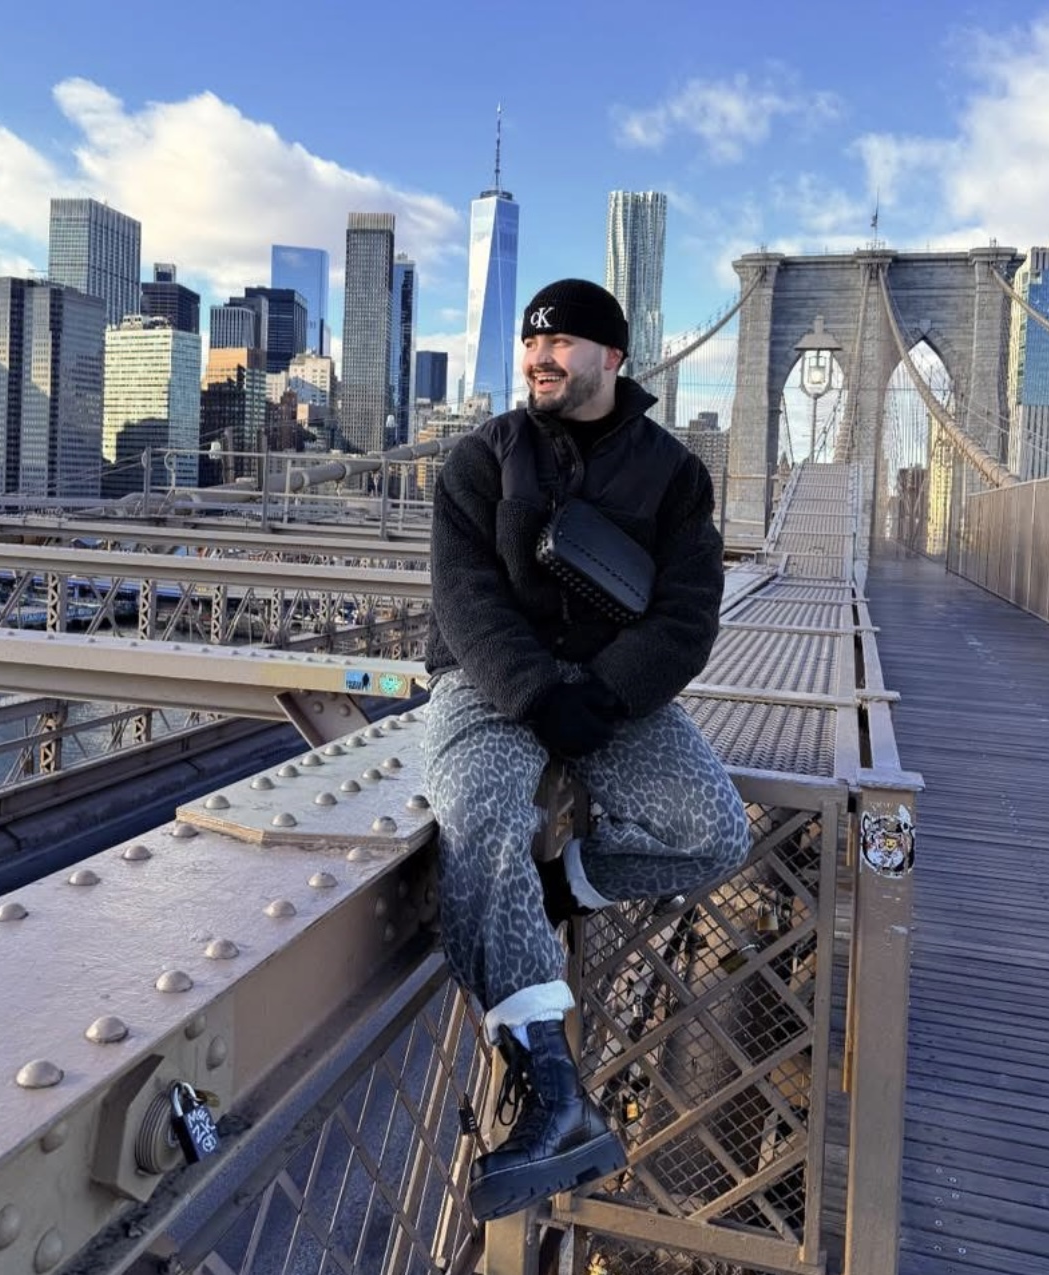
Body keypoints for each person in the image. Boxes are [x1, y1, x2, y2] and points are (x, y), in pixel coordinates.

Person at [421, 279, 751, 1223]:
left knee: (713, 830)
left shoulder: (675, 474)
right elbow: (464, 600)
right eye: (533, 343)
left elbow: (687, 615)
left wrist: (604, 695)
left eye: (561, 341)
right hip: (489, 683)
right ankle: (553, 1091)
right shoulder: (481, 458)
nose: (540, 356)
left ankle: (554, 887)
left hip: (612, 691)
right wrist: (535, 694)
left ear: (612, 357)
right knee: (479, 817)